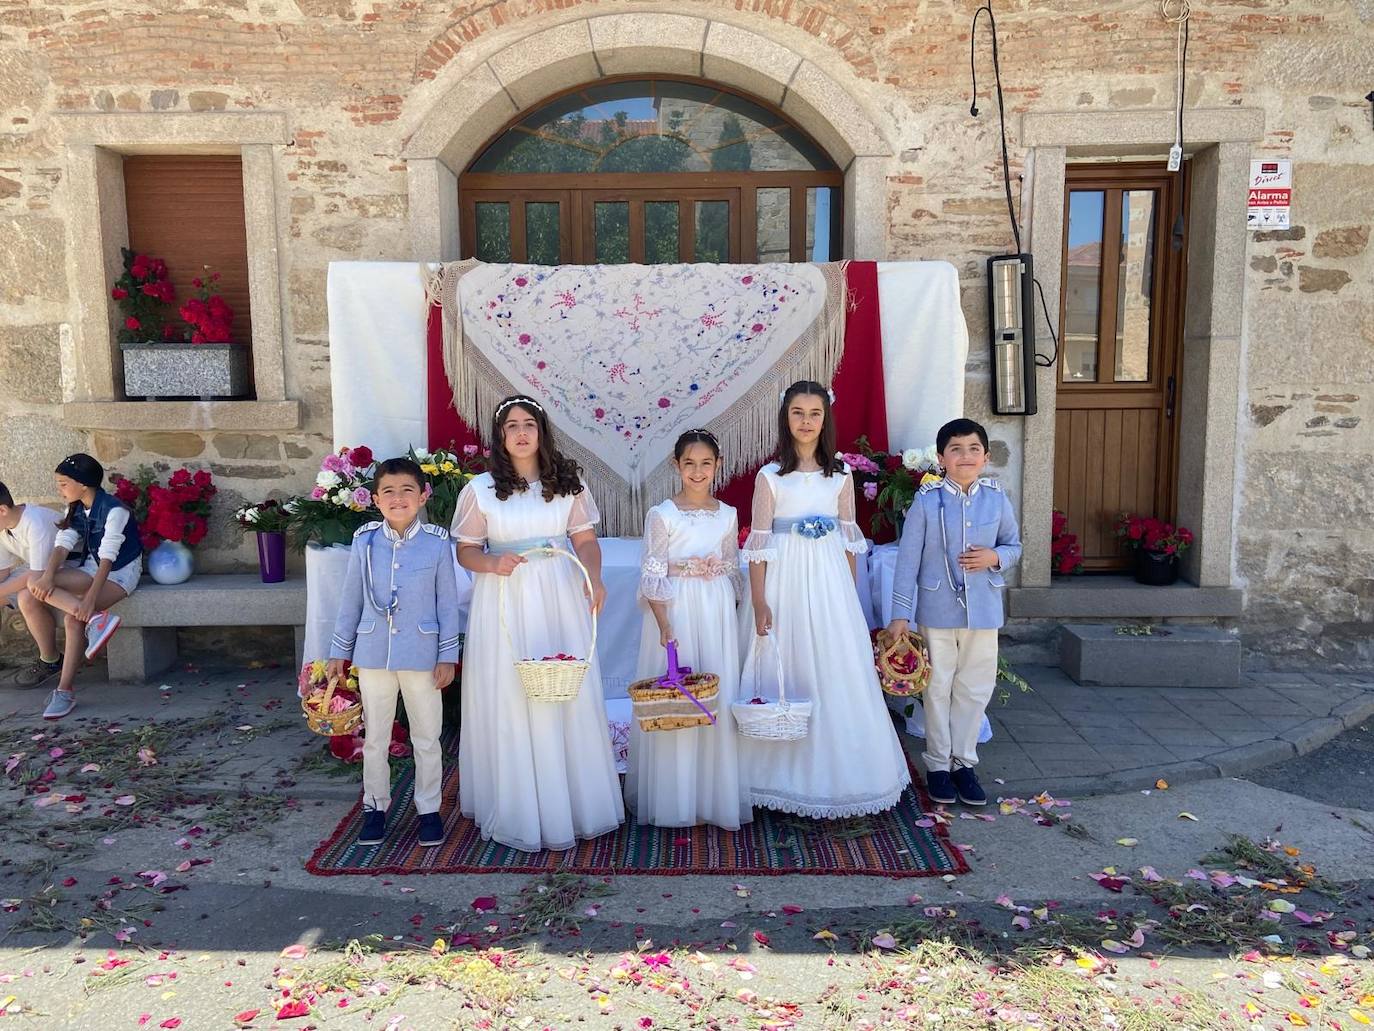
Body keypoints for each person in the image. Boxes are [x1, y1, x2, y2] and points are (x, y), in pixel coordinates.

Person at [451, 396, 624, 852]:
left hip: (558, 592)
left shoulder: (567, 484)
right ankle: (519, 802)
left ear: (542, 433)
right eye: (512, 426)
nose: (522, 433)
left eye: (530, 425)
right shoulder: (482, 489)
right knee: (513, 689)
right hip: (506, 595)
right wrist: (489, 562)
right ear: (500, 436)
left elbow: (585, 541)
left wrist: (594, 577)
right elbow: (465, 550)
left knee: (561, 682)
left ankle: (571, 798)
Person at [738, 380, 911, 818]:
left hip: (829, 584)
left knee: (835, 667)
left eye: (814, 413)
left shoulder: (841, 474)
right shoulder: (770, 477)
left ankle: (847, 775)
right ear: (785, 418)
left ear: (825, 419)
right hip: (785, 583)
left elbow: (850, 541)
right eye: (797, 412)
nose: (806, 422)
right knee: (790, 662)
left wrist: (849, 599)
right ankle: (774, 775)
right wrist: (759, 601)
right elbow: (758, 545)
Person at [886, 418, 1022, 807]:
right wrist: (900, 614)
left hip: (983, 610)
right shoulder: (927, 501)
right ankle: (938, 765)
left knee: (975, 687)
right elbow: (907, 561)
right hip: (937, 609)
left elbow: (1014, 545)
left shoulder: (996, 498)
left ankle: (964, 763)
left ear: (986, 456)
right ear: (942, 457)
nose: (966, 456)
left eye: (973, 448)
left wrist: (995, 556)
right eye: (956, 449)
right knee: (939, 686)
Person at [328, 457, 460, 848]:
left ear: (423, 496)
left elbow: (448, 604)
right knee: (375, 738)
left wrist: (447, 656)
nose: (398, 498)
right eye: (388, 491)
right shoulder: (364, 541)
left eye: (407, 490)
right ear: (374, 499)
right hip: (374, 654)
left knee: (427, 736)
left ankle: (429, 809)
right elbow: (350, 598)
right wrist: (340, 649)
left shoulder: (437, 543)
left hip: (422, 654)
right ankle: (374, 806)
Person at [627, 429, 751, 830]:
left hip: (713, 608)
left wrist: (729, 601)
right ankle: (674, 796)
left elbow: (732, 568)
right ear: (676, 466)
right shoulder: (663, 514)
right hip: (676, 607)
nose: (698, 472)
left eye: (706, 463)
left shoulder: (728, 514)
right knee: (679, 693)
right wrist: (664, 625)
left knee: (714, 690)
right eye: (689, 464)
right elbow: (653, 572)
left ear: (717, 466)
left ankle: (713, 793)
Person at [27, 454, 143, 721]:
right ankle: (96, 620)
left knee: (72, 619)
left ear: (83, 484)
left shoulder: (115, 511)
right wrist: (49, 575)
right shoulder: (77, 506)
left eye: (64, 483)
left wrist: (90, 600)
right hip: (91, 567)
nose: (60, 488)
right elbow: (64, 541)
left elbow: (108, 557)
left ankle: (64, 690)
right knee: (35, 581)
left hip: (120, 573)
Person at [0, 480, 63, 688]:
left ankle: (51, 660)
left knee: (26, 597)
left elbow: (35, 576)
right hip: (36, 571)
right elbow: (3, 572)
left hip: (66, 568)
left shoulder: (35, 522)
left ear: (2, 510)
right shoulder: (3, 527)